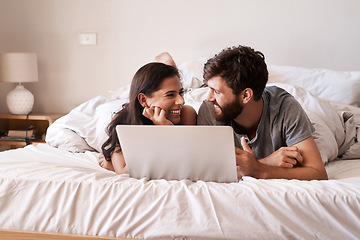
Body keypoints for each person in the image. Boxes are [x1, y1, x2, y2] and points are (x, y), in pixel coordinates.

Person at [197, 45, 328, 180]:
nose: (209, 98)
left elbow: (318, 173)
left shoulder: (285, 108)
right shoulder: (209, 110)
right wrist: (264, 164)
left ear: (245, 95)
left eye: (217, 91)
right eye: (209, 89)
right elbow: (205, 173)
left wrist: (259, 170)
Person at [98, 53, 197, 174]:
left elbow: (185, 161)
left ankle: (168, 64)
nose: (182, 101)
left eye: (180, 93)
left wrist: (167, 130)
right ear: (143, 100)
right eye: (170, 95)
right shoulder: (123, 120)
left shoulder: (187, 113)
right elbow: (123, 170)